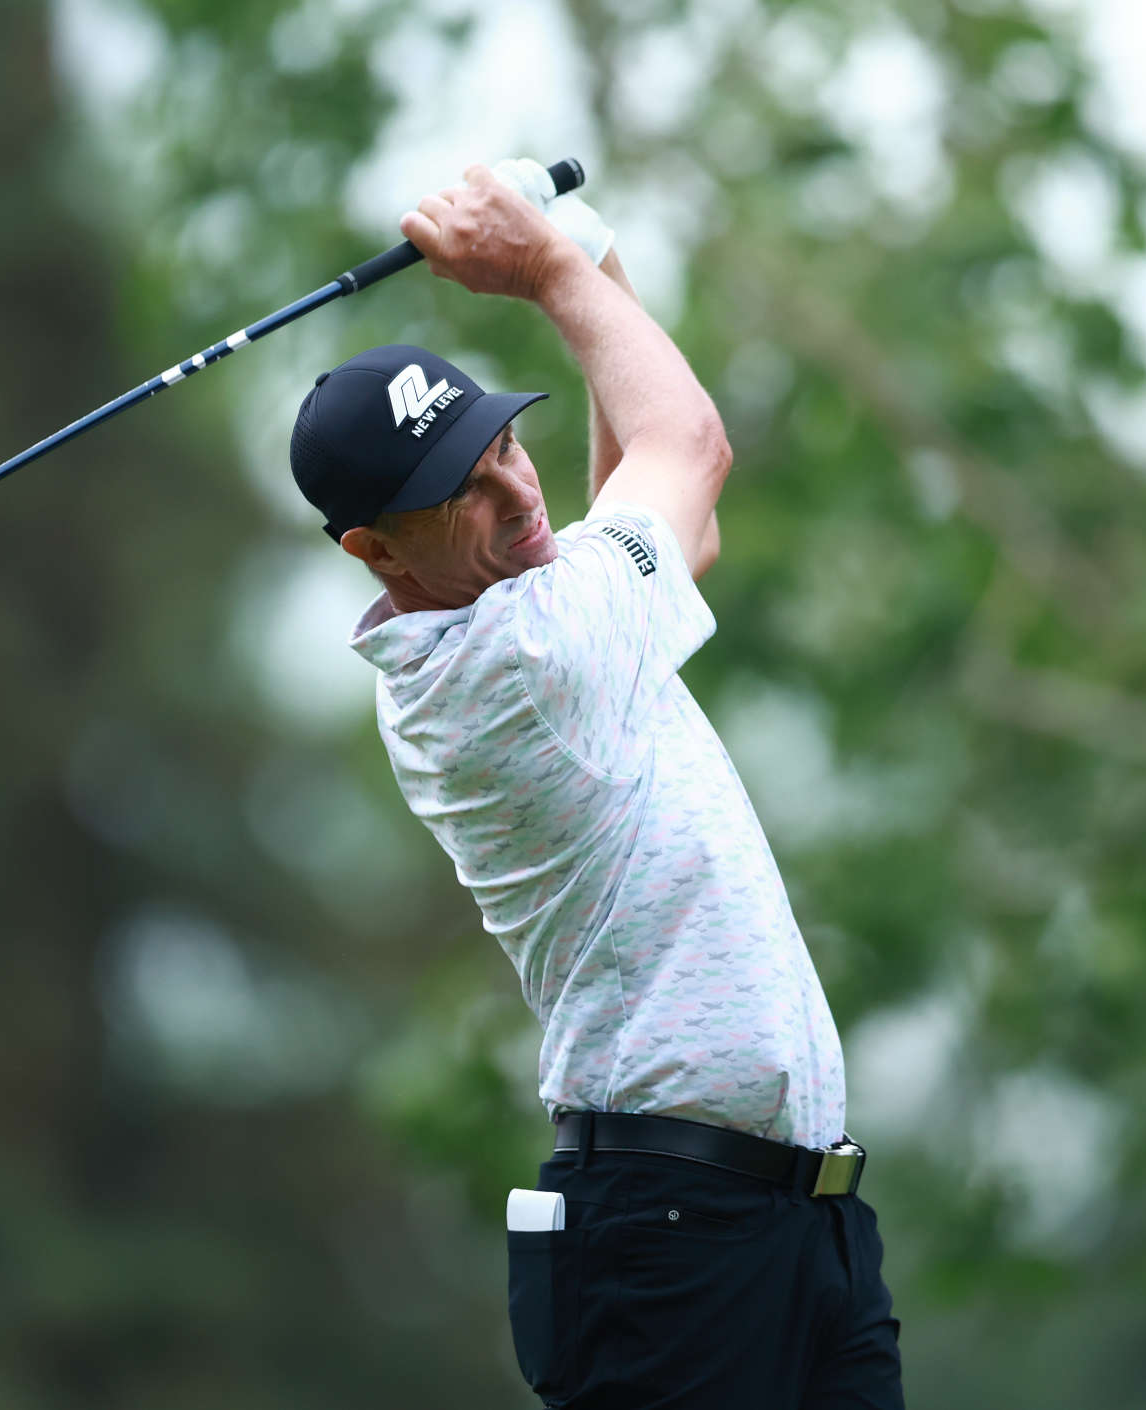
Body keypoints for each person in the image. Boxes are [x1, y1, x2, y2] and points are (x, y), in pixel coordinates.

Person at [287, 161, 904, 1410]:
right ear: (376, 549)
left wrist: (578, 236)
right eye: (465, 489)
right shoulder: (528, 657)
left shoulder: (526, 605)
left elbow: (673, 509)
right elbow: (689, 447)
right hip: (673, 1244)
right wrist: (545, 269)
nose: (521, 493)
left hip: (793, 1229)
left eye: (505, 442)